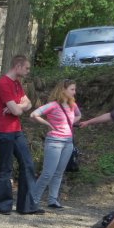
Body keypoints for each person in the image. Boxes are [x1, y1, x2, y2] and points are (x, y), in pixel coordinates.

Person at [0, 55, 44, 215]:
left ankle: (27, 206)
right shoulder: (3, 83)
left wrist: (19, 106)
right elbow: (17, 110)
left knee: (27, 164)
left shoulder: (17, 84)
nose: (28, 71)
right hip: (3, 131)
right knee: (6, 167)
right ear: (18, 66)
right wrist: (19, 107)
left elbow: (28, 104)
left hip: (16, 130)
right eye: (26, 68)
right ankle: (1, 205)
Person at [30, 79, 81, 209]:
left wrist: (68, 124)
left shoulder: (72, 105)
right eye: (72, 89)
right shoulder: (53, 105)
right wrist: (48, 124)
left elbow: (78, 116)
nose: (74, 92)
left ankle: (53, 200)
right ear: (63, 90)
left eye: (74, 89)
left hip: (68, 142)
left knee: (59, 172)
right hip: (54, 142)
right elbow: (34, 114)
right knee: (48, 173)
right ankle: (33, 200)